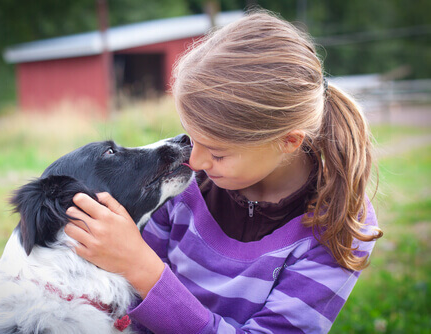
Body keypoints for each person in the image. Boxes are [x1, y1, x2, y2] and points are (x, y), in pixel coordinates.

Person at [64, 9, 383, 333]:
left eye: (217, 152)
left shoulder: (339, 225)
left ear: (288, 141)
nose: (195, 162)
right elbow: (121, 304)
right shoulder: (180, 188)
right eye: (192, 138)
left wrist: (141, 268)